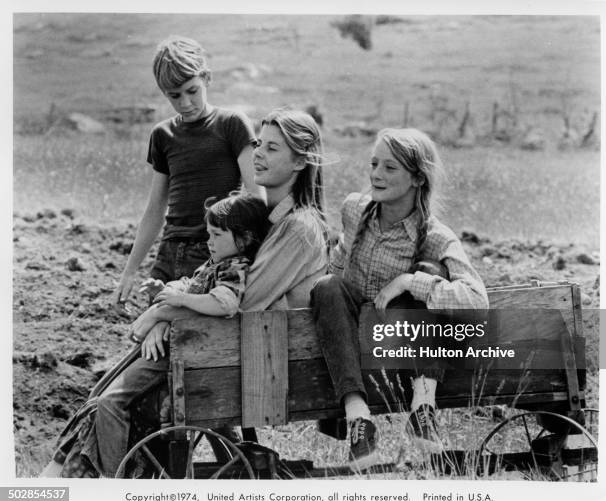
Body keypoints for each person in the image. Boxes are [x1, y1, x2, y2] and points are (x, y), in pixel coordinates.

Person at [41, 108, 329, 478]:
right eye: (259, 143)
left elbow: (243, 301)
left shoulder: (298, 228)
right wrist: (167, 313)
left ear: (300, 161)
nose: (258, 153)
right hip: (219, 345)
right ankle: (67, 475)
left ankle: (93, 481)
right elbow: (208, 277)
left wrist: (163, 315)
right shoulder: (262, 216)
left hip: (245, 356)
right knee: (107, 390)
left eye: (272, 148)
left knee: (116, 399)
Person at [310, 128, 489, 472]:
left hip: (403, 351)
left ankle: (423, 410)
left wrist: (410, 282)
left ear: (418, 178)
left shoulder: (437, 236)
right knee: (328, 286)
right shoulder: (354, 209)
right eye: (374, 163)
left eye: (390, 168)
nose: (376, 174)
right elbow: (338, 261)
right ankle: (359, 422)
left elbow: (476, 303)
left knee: (427, 275)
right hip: (353, 347)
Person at [113, 35, 262, 314]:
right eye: (174, 95)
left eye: (192, 91)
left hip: (213, 253)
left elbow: (256, 197)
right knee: (153, 339)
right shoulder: (162, 135)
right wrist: (129, 272)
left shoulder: (232, 124)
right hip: (168, 253)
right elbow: (155, 208)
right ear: (163, 92)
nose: (185, 103)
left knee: (189, 340)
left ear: (206, 78)